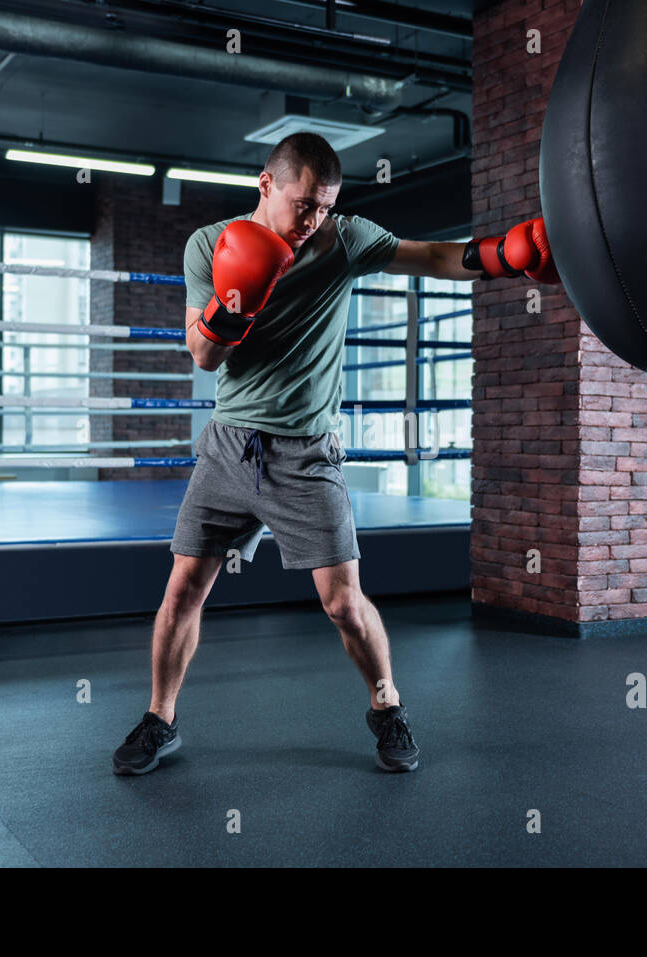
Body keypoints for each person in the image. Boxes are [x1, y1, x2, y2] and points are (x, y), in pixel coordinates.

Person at [113, 131, 559, 775]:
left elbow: (431, 255)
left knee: (343, 602)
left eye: (324, 206)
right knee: (183, 587)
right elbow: (204, 354)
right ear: (265, 185)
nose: (312, 221)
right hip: (229, 447)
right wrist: (234, 301)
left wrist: (499, 256)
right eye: (303, 206)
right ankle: (161, 718)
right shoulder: (209, 245)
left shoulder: (342, 239)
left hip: (307, 453)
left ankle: (387, 707)